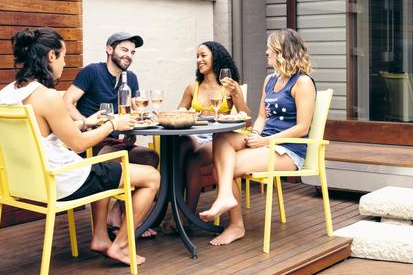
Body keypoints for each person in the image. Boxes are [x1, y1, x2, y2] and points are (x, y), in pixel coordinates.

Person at [0, 27, 160, 266]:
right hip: (64, 180)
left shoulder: (3, 96)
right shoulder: (47, 97)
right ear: (51, 56)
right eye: (62, 57)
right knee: (151, 177)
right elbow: (78, 143)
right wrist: (112, 124)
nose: (64, 63)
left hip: (27, 181)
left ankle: (101, 238)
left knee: (110, 166)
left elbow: (48, 130)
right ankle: (120, 246)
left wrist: (84, 122)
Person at [199, 28, 316, 246]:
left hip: (288, 150)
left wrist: (265, 142)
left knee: (221, 168)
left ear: (283, 52)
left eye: (270, 49)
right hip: (265, 141)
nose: (266, 52)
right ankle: (225, 195)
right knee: (221, 138)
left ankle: (235, 225)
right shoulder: (270, 80)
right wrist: (254, 134)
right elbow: (262, 116)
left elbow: (302, 127)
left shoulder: (303, 83)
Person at [63, 32, 159, 237]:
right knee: (111, 160)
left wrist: (140, 117)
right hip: (93, 145)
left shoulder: (130, 78)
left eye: (132, 52)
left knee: (150, 157)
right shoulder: (92, 72)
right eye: (124, 50)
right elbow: (66, 101)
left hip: (119, 142)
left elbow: (132, 111)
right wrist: (85, 124)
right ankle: (103, 232)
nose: (129, 55)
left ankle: (121, 215)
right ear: (109, 49)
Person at [176, 41, 250, 215]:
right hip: (195, 135)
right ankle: (172, 208)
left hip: (217, 138)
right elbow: (179, 113)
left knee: (193, 160)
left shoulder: (229, 86)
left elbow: (247, 120)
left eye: (203, 56)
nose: (199, 60)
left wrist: (236, 94)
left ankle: (187, 214)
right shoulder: (192, 87)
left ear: (215, 58)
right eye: (197, 57)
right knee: (177, 150)